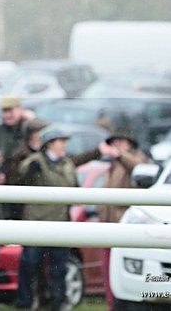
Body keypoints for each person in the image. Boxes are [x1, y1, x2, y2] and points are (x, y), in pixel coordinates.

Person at [14, 125, 107, 311]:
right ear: (50, 144)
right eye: (61, 141)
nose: (64, 145)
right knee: (29, 265)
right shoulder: (35, 161)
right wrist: (30, 170)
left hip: (60, 224)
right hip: (36, 225)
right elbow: (22, 172)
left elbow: (75, 191)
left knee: (59, 268)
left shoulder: (68, 165)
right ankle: (25, 301)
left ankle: (58, 302)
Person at [97, 123, 151, 311]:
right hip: (108, 227)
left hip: (126, 229)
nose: (116, 145)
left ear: (130, 143)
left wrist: (120, 155)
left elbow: (141, 169)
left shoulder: (138, 160)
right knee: (108, 271)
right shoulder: (113, 166)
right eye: (114, 142)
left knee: (124, 271)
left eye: (120, 141)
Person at [1, 117, 48, 220]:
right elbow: (13, 181)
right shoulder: (18, 156)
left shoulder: (46, 153)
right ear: (33, 134)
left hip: (42, 207)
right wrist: (29, 171)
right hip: (23, 209)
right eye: (41, 132)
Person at [0, 95, 30, 162]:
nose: (7, 115)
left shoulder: (29, 127)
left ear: (20, 109)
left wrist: (32, 120)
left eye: (10, 111)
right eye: (4, 111)